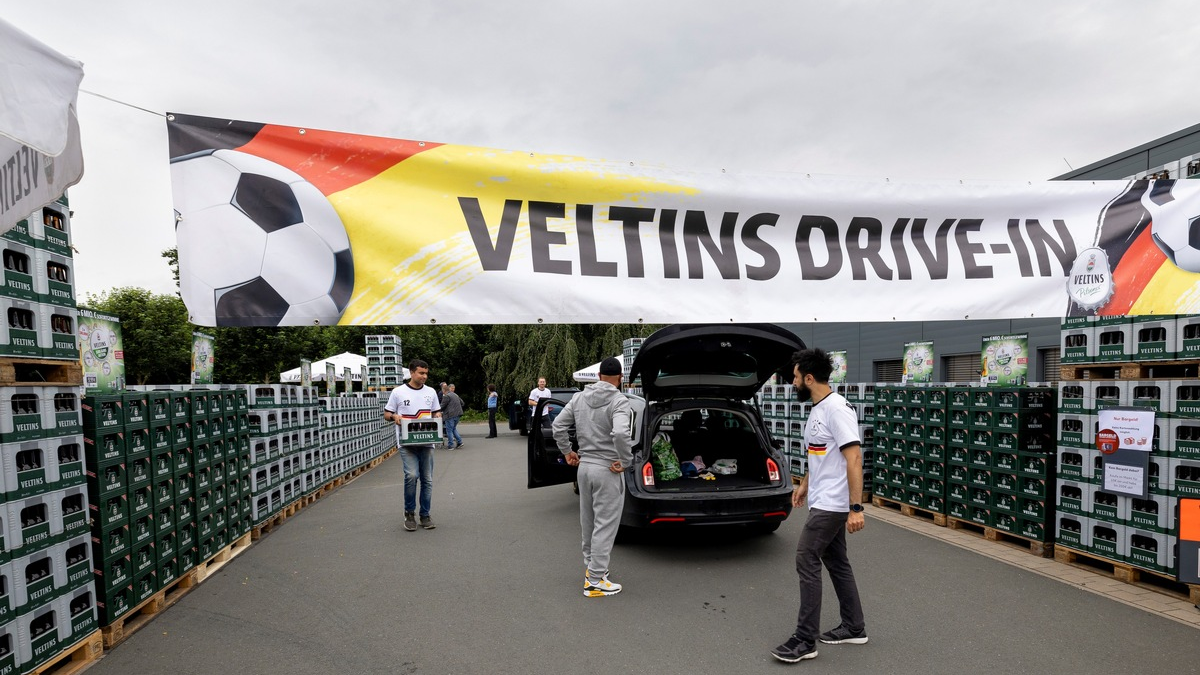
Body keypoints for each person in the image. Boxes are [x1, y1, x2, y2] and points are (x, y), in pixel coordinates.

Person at [772, 348, 868, 663]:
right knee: (837, 562)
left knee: (806, 557)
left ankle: (805, 639)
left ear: (810, 378)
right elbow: (821, 453)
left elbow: (854, 457)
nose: (793, 383)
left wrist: (856, 508)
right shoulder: (818, 408)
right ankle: (854, 627)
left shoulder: (837, 409)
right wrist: (804, 484)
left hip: (833, 503)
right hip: (821, 497)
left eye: (796, 377)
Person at [552, 357, 633, 598]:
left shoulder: (579, 398)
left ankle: (593, 568)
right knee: (605, 525)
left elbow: (558, 425)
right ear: (620, 378)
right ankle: (595, 581)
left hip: (584, 468)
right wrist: (625, 460)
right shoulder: (619, 401)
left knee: (588, 522)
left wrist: (567, 451)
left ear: (598, 376)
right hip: (607, 469)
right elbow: (621, 433)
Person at [383, 359, 442, 532]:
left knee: (427, 479)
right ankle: (409, 513)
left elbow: (436, 411)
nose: (424, 376)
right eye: (421, 373)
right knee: (411, 475)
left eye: (426, 373)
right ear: (411, 372)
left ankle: (425, 515)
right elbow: (387, 413)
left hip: (427, 442)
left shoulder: (431, 392)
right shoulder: (398, 392)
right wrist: (394, 417)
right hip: (407, 443)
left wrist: (438, 416)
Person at [441, 384, 464, 449]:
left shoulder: (446, 396)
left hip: (450, 415)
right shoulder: (455, 395)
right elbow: (462, 403)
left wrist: (437, 410)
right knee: (453, 428)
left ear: (444, 390)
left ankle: (450, 445)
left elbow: (442, 406)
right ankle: (460, 442)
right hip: (458, 414)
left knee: (449, 430)